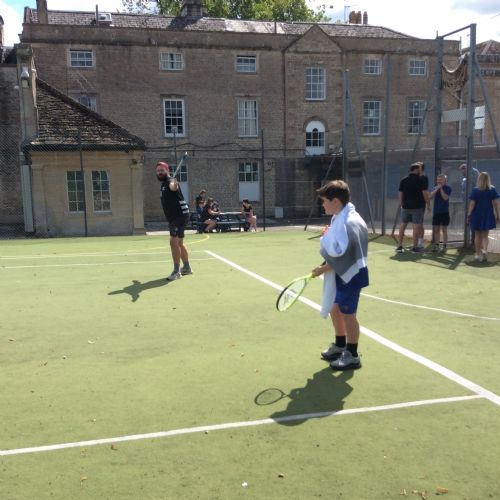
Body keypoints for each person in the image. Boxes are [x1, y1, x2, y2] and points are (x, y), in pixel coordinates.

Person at [312, 180, 369, 371]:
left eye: (324, 201)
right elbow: (337, 249)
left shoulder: (350, 222)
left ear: (335, 201)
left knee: (348, 314)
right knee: (334, 309)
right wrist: (325, 264)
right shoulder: (339, 217)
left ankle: (352, 355)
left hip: (352, 275)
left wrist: (323, 269)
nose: (323, 205)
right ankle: (340, 345)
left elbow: (347, 256)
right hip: (341, 273)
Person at [156, 161, 192, 281]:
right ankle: (186, 268)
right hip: (177, 216)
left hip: (179, 216)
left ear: (167, 170)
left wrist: (175, 185)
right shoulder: (163, 184)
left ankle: (176, 272)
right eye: (158, 171)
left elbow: (173, 187)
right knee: (179, 243)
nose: (159, 172)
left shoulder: (170, 181)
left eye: (162, 170)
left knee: (173, 242)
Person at [396, 162, 431, 253]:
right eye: (419, 169)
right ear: (416, 169)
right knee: (416, 227)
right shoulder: (420, 180)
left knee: (403, 225)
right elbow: (425, 194)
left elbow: (400, 194)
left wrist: (401, 204)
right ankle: (415, 247)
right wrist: (429, 205)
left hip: (405, 207)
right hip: (417, 207)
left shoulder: (403, 180)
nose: (421, 170)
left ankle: (399, 246)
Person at [467, 171, 500, 262]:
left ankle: (477, 255)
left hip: (477, 215)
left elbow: (472, 204)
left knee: (477, 235)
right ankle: (485, 251)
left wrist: (469, 214)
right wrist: (498, 215)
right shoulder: (492, 189)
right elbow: (496, 204)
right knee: (485, 235)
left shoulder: (475, 190)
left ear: (479, 179)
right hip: (487, 215)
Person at [429, 174, 451, 252]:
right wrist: (436, 189)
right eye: (438, 180)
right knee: (436, 230)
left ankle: (444, 246)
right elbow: (430, 197)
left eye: (440, 180)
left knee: (444, 230)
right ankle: (436, 245)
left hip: (444, 212)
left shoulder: (448, 188)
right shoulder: (435, 188)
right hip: (436, 212)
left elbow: (445, 198)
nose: (438, 181)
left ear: (445, 180)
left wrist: (441, 189)